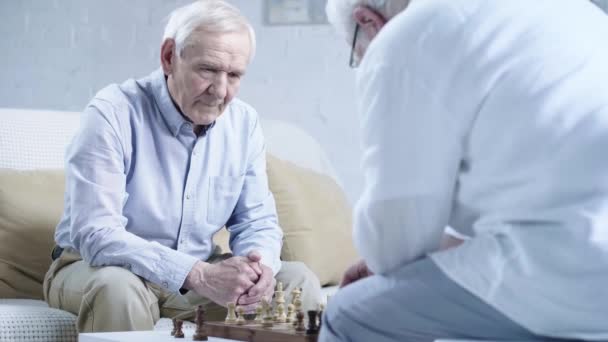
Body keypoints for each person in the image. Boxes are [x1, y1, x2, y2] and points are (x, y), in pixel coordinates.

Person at [321, 0, 608, 341]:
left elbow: (393, 246)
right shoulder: (570, 10)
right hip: (580, 259)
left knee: (349, 314)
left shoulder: (404, 36)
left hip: (566, 272)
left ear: (366, 20)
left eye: (357, 52)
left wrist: (380, 256)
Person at [43, 0, 321, 333]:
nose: (220, 90)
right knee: (119, 290)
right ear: (168, 57)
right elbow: (97, 234)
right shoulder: (112, 112)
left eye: (233, 75)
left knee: (297, 281)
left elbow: (257, 220)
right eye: (207, 70)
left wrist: (258, 269)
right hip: (99, 268)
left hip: (195, 278)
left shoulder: (243, 123)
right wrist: (198, 274)